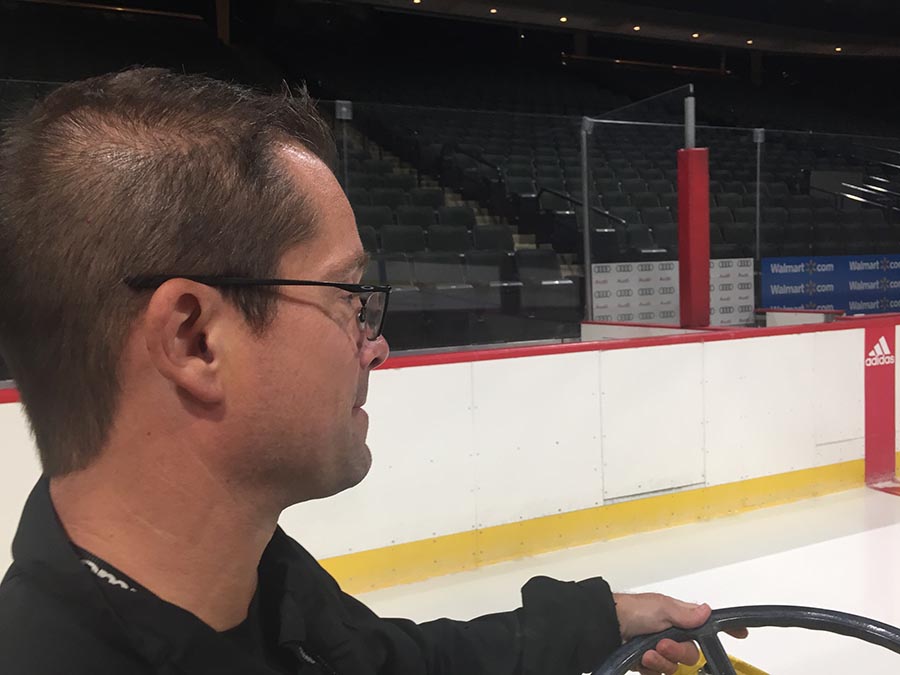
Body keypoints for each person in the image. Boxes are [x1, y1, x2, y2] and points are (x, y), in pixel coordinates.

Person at [0, 68, 742, 675]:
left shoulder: (257, 585)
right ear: (195, 339)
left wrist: (596, 621)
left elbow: (398, 664)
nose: (375, 344)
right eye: (347, 297)